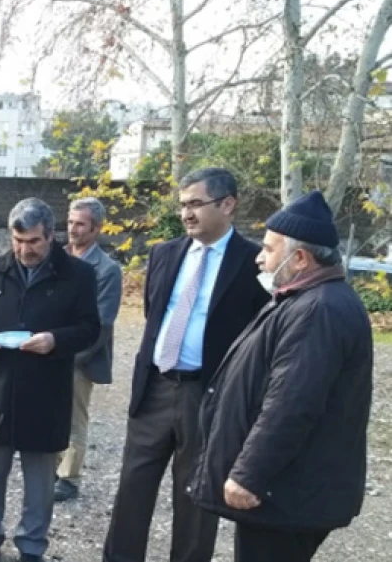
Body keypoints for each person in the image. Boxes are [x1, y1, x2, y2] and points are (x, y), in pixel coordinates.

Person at [190, 190, 373, 562]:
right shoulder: (301, 300)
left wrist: (248, 475)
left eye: (270, 249)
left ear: (301, 258)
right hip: (285, 491)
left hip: (288, 494)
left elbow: (291, 404)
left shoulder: (319, 310)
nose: (259, 257)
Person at [102, 167, 270, 562]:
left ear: (227, 204)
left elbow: (260, 335)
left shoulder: (253, 262)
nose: (186, 214)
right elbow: (153, 314)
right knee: (132, 489)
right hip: (156, 387)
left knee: (196, 497)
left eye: (196, 204)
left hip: (209, 395)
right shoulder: (165, 253)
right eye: (182, 205)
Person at [0, 198, 100, 562]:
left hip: (47, 388)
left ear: (50, 236)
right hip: (0, 386)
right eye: (18, 241)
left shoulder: (78, 275)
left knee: (40, 479)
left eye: (34, 242)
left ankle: (32, 546)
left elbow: (89, 329)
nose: (24, 250)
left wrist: (55, 340)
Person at [54, 197, 122, 503]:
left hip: (78, 359)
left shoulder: (107, 270)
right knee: (46, 412)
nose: (73, 229)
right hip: (47, 350)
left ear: (96, 228)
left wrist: (68, 356)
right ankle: (48, 468)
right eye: (70, 222)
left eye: (80, 224)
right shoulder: (56, 257)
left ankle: (68, 478)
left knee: (72, 417)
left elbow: (102, 323)